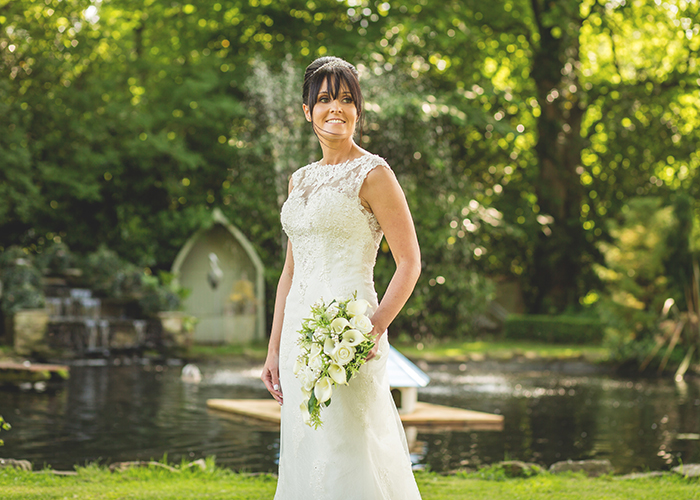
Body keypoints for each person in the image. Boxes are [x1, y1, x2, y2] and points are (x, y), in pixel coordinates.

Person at [261, 56, 423, 499]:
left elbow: (409, 262)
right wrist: (274, 348)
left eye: (347, 99)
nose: (337, 108)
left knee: (349, 447)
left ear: (358, 110)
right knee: (306, 445)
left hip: (351, 333)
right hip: (299, 334)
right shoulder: (300, 180)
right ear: (306, 110)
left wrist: (372, 329)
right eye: (326, 98)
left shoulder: (374, 174)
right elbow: (289, 272)